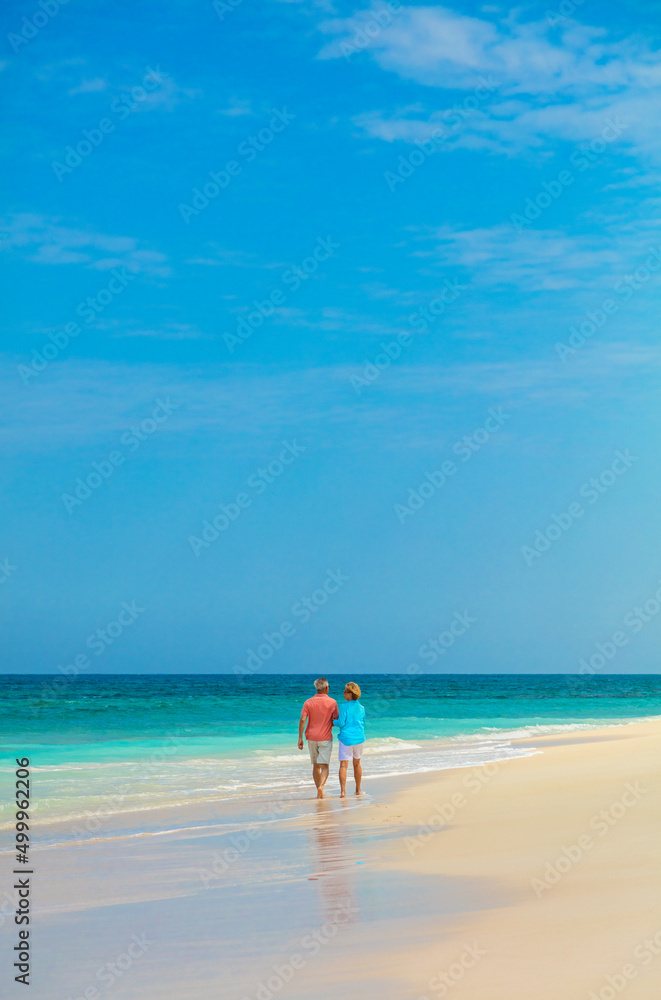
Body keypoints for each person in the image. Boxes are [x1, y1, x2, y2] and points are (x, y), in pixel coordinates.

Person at [298, 677, 339, 799]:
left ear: (316, 688)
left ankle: (318, 790)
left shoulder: (308, 702)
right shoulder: (332, 702)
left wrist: (300, 737)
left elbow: (303, 719)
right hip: (325, 738)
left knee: (315, 765)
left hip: (311, 738)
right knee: (325, 765)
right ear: (327, 688)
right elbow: (335, 720)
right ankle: (321, 786)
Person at [333, 682, 365, 797]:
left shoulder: (343, 706)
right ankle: (358, 790)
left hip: (346, 739)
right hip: (359, 738)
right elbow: (362, 723)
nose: (343, 693)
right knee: (357, 764)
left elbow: (340, 723)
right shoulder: (361, 708)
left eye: (345, 692)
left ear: (350, 694)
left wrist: (332, 721)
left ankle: (343, 792)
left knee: (343, 765)